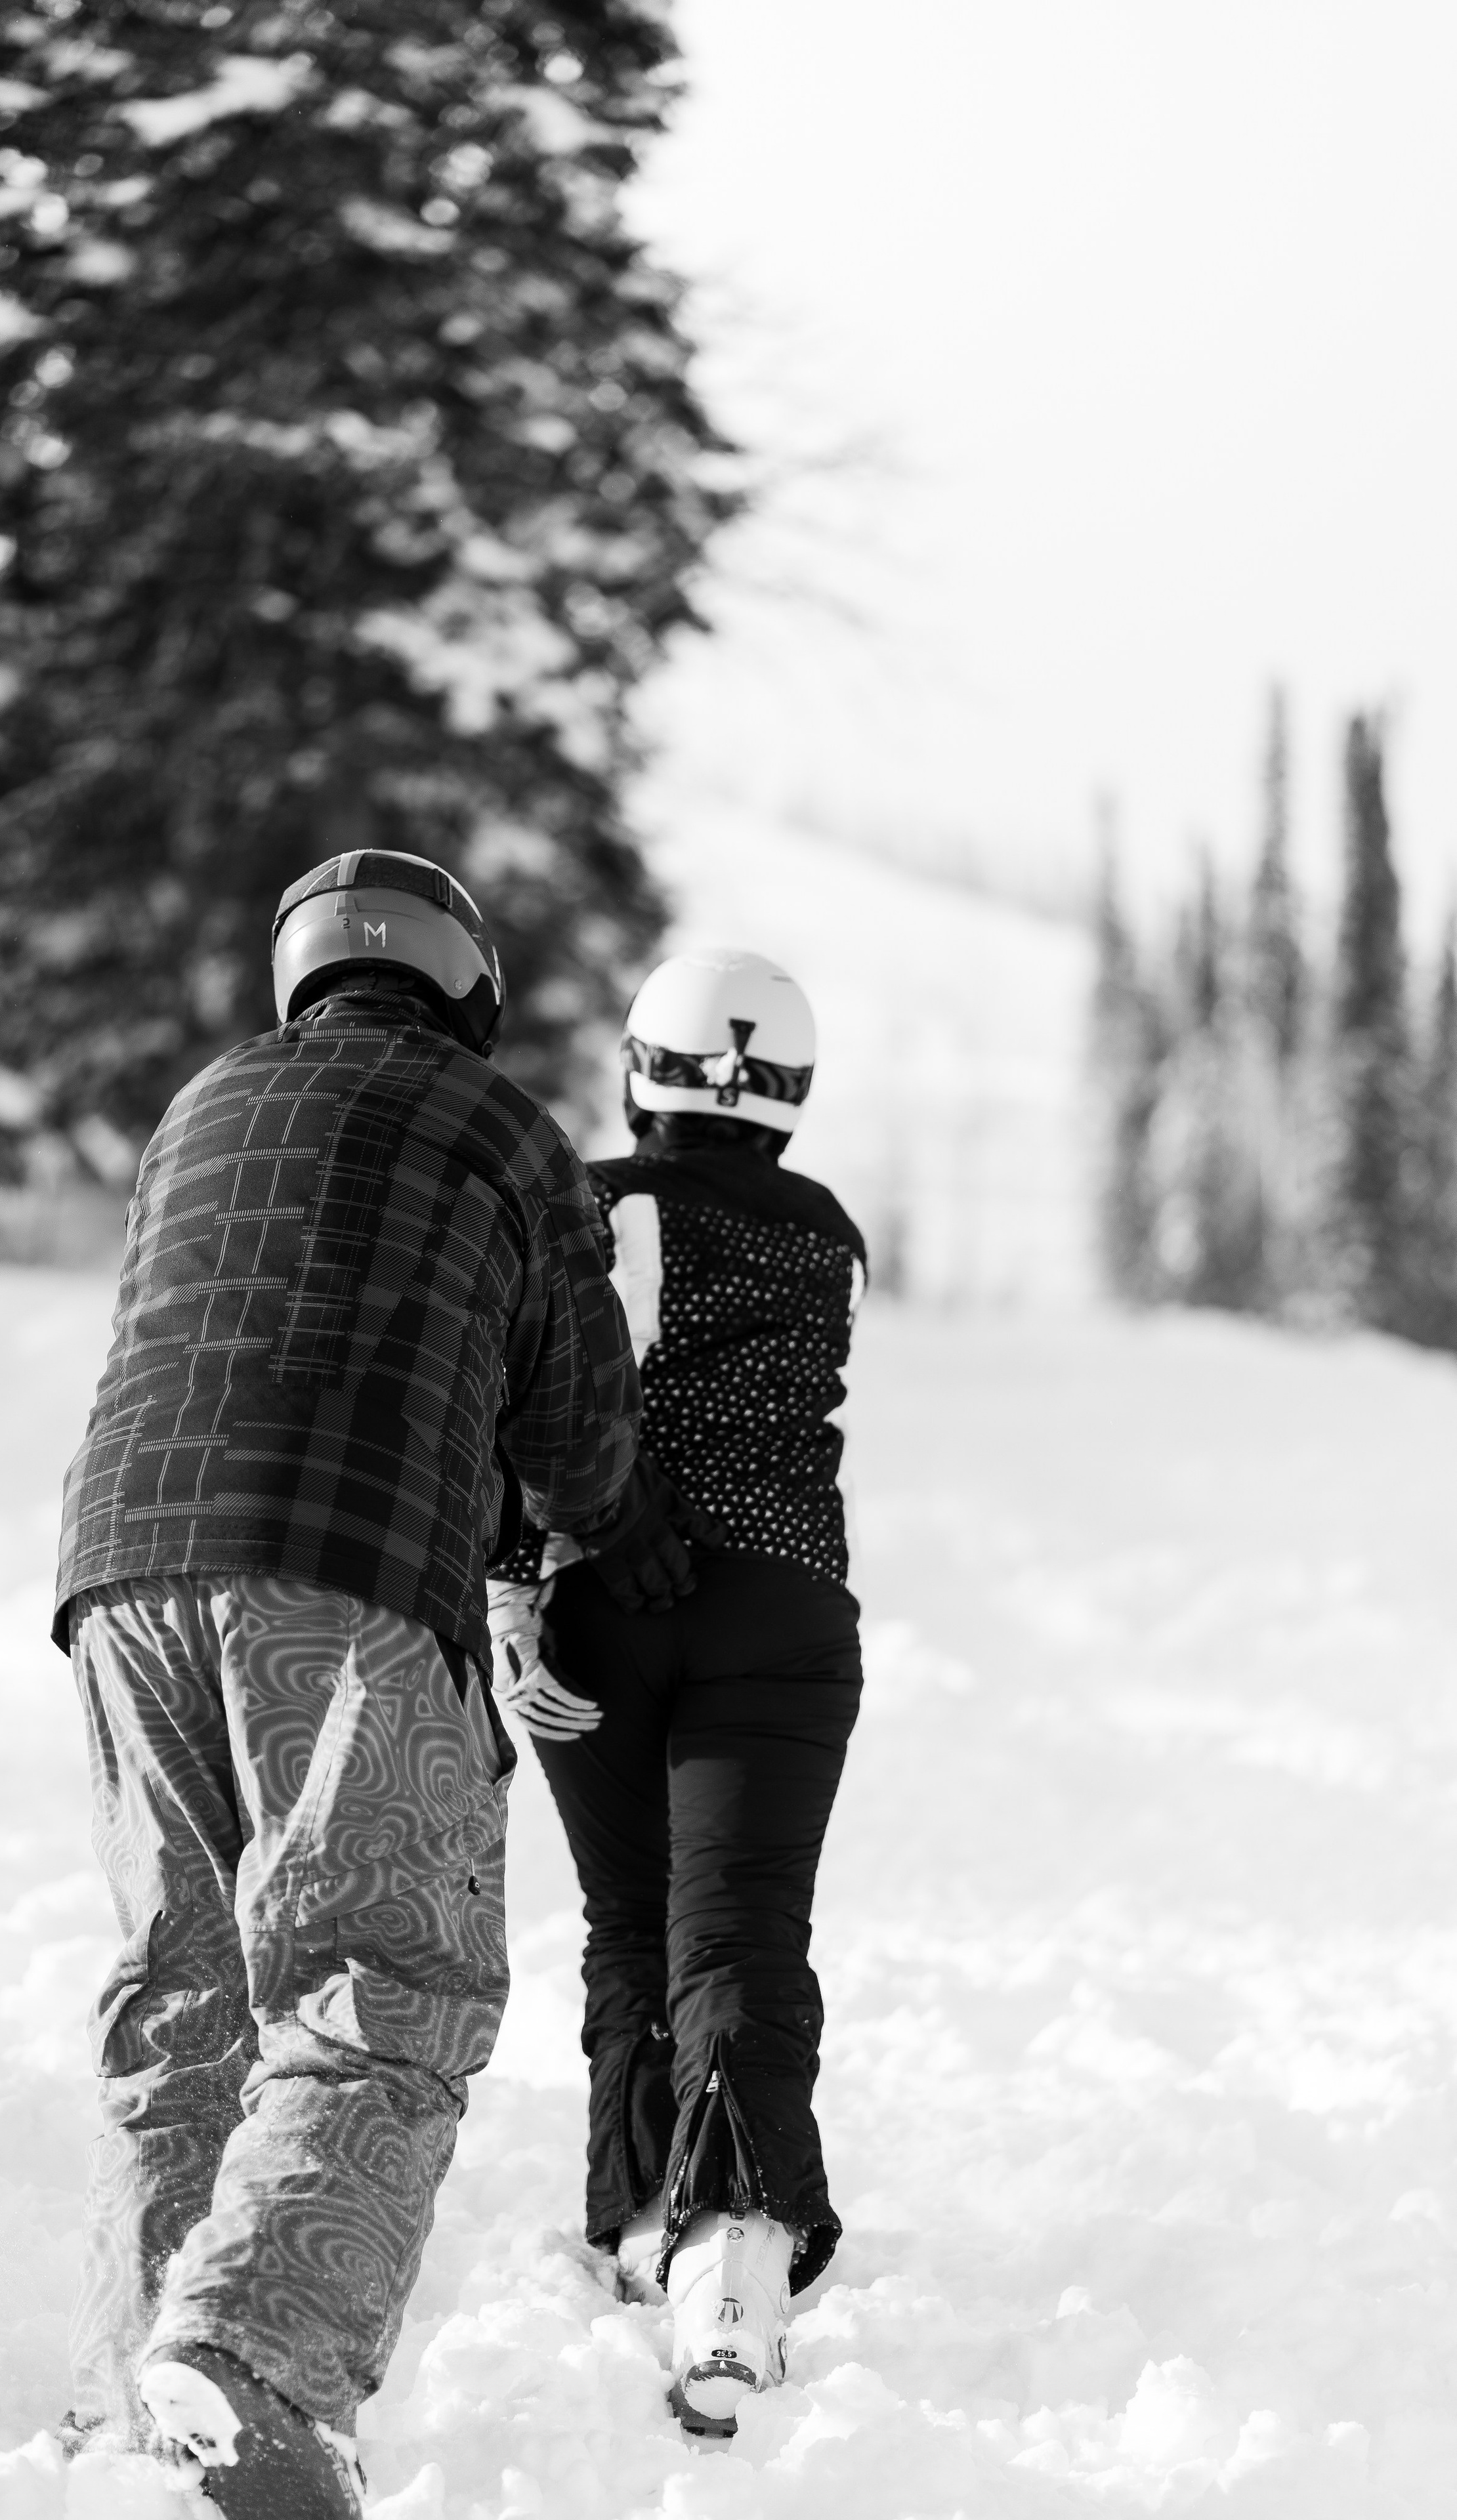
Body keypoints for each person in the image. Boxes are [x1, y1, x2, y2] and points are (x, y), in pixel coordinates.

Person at [53, 851, 703, 2517]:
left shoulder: (202, 1101)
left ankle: (148, 2396)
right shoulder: (499, 1129)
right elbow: (572, 1422)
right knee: (380, 1982)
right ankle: (254, 2362)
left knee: (182, 1993)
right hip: (341, 1574)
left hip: (122, 1568)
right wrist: (615, 1542)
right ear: (464, 988)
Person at [486, 946, 866, 2439]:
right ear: (788, 1092)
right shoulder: (832, 1237)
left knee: (630, 1926)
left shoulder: (598, 1201)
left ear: (644, 1068)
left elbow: (547, 1395)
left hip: (602, 1606)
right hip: (785, 1611)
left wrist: (515, 1591)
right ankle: (737, 2260)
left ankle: (639, 2211)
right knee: (742, 1932)